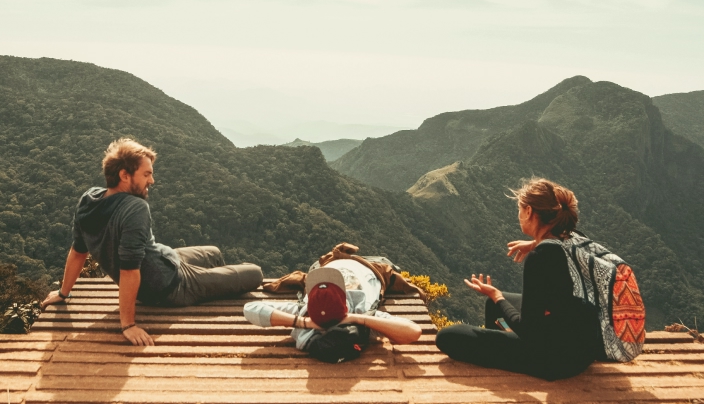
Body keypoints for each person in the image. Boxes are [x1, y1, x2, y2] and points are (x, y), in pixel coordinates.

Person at [41, 138, 263, 346]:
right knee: (255, 273)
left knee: (213, 252)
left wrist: (63, 293)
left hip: (165, 260)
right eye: (146, 174)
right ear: (124, 175)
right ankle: (213, 284)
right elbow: (129, 269)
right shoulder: (135, 208)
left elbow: (78, 251)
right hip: (170, 286)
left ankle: (216, 281)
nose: (152, 181)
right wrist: (128, 325)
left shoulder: (89, 199)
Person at [435, 178, 602, 381]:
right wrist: (535, 243)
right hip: (584, 348)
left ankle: (509, 355)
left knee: (448, 336)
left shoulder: (539, 258)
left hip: (556, 360)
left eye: (520, 210)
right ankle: (504, 351)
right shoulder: (573, 237)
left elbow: (529, 331)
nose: (519, 215)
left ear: (529, 211)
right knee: (493, 304)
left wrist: (496, 294)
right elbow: (557, 250)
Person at [243, 257, 422, 355]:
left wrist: (304, 322)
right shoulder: (361, 311)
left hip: (324, 264)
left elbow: (249, 309)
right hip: (370, 265)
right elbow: (413, 332)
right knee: (389, 262)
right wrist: (356, 318)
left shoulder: (305, 311)